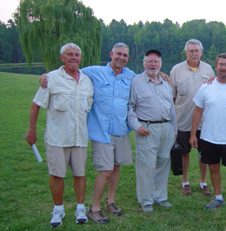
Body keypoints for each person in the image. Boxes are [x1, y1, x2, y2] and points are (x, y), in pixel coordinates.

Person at [39, 43, 170, 223]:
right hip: (102, 132)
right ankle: (94, 208)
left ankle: (111, 201)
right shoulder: (93, 72)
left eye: (125, 55)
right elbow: (71, 69)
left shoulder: (131, 76)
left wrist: (160, 74)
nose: (121, 58)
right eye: (118, 54)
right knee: (106, 170)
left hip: (121, 130)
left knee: (116, 167)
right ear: (111, 54)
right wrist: (47, 77)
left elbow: (148, 76)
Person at [25, 43, 94, 227]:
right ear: (62, 57)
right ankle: (58, 209)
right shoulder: (51, 79)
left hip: (80, 138)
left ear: (81, 58)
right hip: (57, 138)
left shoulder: (87, 81)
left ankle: (80, 208)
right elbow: (35, 105)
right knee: (57, 175)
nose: (74, 57)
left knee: (80, 174)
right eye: (69, 54)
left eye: (77, 54)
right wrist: (32, 131)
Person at [190, 53, 226, 222]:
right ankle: (218, 197)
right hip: (209, 137)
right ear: (215, 66)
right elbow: (197, 110)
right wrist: (193, 134)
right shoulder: (206, 86)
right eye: (221, 64)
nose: (224, 67)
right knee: (213, 168)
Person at [128, 50, 177, 213]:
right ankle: (146, 200)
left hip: (166, 128)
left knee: (163, 162)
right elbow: (130, 107)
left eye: (156, 62)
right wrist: (136, 126)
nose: (153, 64)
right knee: (146, 166)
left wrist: (174, 129)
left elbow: (172, 108)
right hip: (147, 129)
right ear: (144, 63)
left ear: (160, 64)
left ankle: (160, 197)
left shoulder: (166, 83)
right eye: (150, 61)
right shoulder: (136, 82)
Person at [170, 39, 215, 196]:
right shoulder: (176, 70)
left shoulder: (209, 70)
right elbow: (172, 97)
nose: (194, 53)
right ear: (186, 52)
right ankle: (185, 181)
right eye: (191, 51)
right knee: (184, 152)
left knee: (204, 154)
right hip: (183, 120)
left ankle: (203, 182)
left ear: (201, 52)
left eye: (197, 51)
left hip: (204, 122)